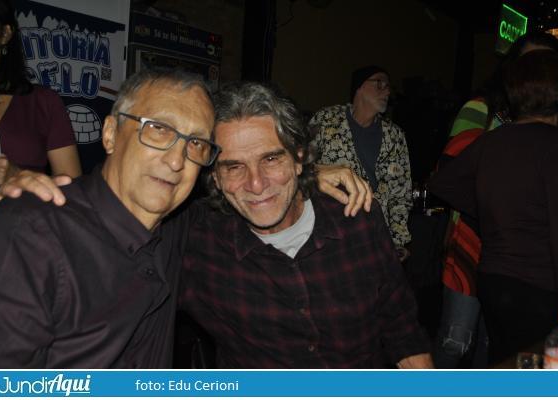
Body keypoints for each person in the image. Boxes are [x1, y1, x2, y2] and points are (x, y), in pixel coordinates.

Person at [0, 68, 371, 368]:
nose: (176, 160)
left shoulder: (182, 226)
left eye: (196, 143)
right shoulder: (31, 234)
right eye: (157, 130)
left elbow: (254, 187)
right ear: (110, 134)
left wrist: (304, 174)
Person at [180, 82, 432, 368]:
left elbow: (402, 328)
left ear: (299, 158)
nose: (256, 184)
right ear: (215, 177)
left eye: (271, 159)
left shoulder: (356, 218)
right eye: (234, 167)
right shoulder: (197, 239)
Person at [429, 50, 558, 365]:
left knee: (506, 362)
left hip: (493, 279)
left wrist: (493, 212)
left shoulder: (493, 140)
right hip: (541, 287)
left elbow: (443, 182)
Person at [310, 66, 413, 259]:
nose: (387, 92)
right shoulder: (326, 120)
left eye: (389, 87)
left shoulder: (395, 136)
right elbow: (300, 168)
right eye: (380, 84)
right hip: (329, 235)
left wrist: (397, 242)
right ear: (359, 87)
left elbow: (401, 194)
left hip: (375, 238)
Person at [0, 0, 81, 189]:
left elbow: (72, 186)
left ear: (5, 34)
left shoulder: (43, 102)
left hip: (20, 208)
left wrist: (17, 177)